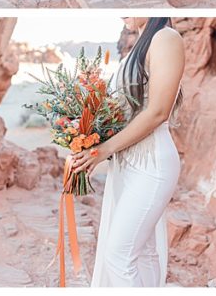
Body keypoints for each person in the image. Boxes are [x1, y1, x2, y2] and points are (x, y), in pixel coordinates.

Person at [71, 17, 184, 287]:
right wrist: (86, 130)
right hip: (126, 162)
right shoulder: (139, 45)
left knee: (118, 255)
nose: (123, 14)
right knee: (142, 252)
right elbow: (123, 112)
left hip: (151, 162)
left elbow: (158, 111)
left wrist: (104, 149)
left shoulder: (166, 38)